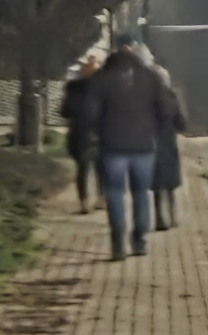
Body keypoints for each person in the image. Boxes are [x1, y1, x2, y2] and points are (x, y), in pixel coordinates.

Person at [83, 40, 177, 260]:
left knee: (114, 193)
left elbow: (89, 111)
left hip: (112, 146)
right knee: (140, 194)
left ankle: (118, 243)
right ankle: (139, 241)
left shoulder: (101, 78)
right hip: (143, 146)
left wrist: (96, 132)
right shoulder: (150, 78)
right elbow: (166, 108)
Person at [59, 48, 104, 213]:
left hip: (79, 131)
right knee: (101, 165)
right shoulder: (104, 87)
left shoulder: (73, 88)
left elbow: (64, 112)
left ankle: (84, 202)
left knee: (83, 167)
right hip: (100, 130)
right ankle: (101, 198)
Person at [149, 59, 188, 228]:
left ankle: (159, 217)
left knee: (157, 184)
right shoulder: (171, 97)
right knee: (170, 183)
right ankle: (172, 215)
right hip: (168, 142)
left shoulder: (145, 99)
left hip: (150, 143)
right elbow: (181, 123)